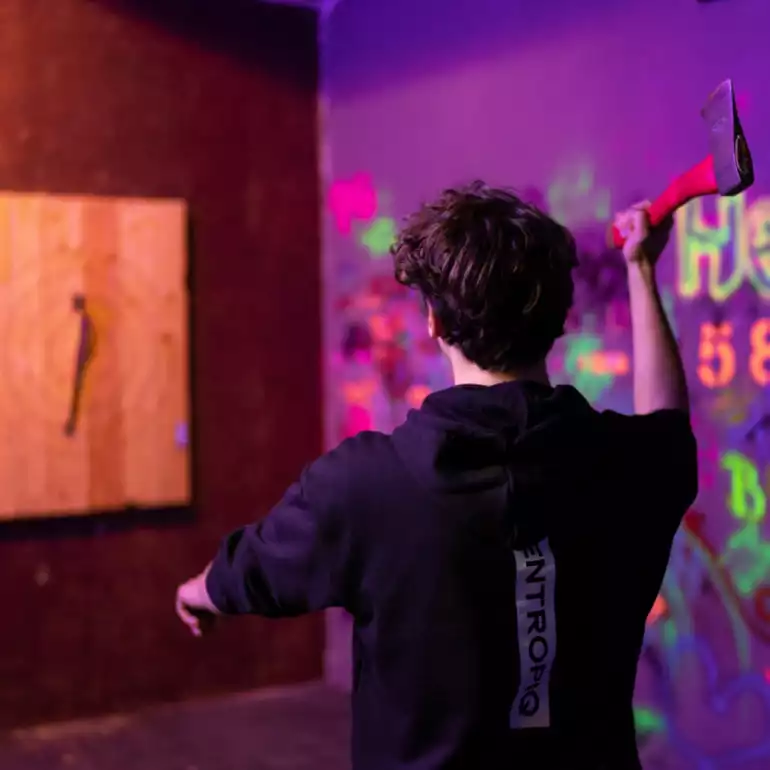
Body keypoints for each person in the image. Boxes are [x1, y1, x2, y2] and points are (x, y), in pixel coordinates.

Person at [176, 182, 697, 770]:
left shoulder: (362, 486)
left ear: (433, 322)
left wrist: (198, 593)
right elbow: (666, 424)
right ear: (559, 321)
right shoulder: (627, 467)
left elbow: (253, 573)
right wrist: (642, 270)